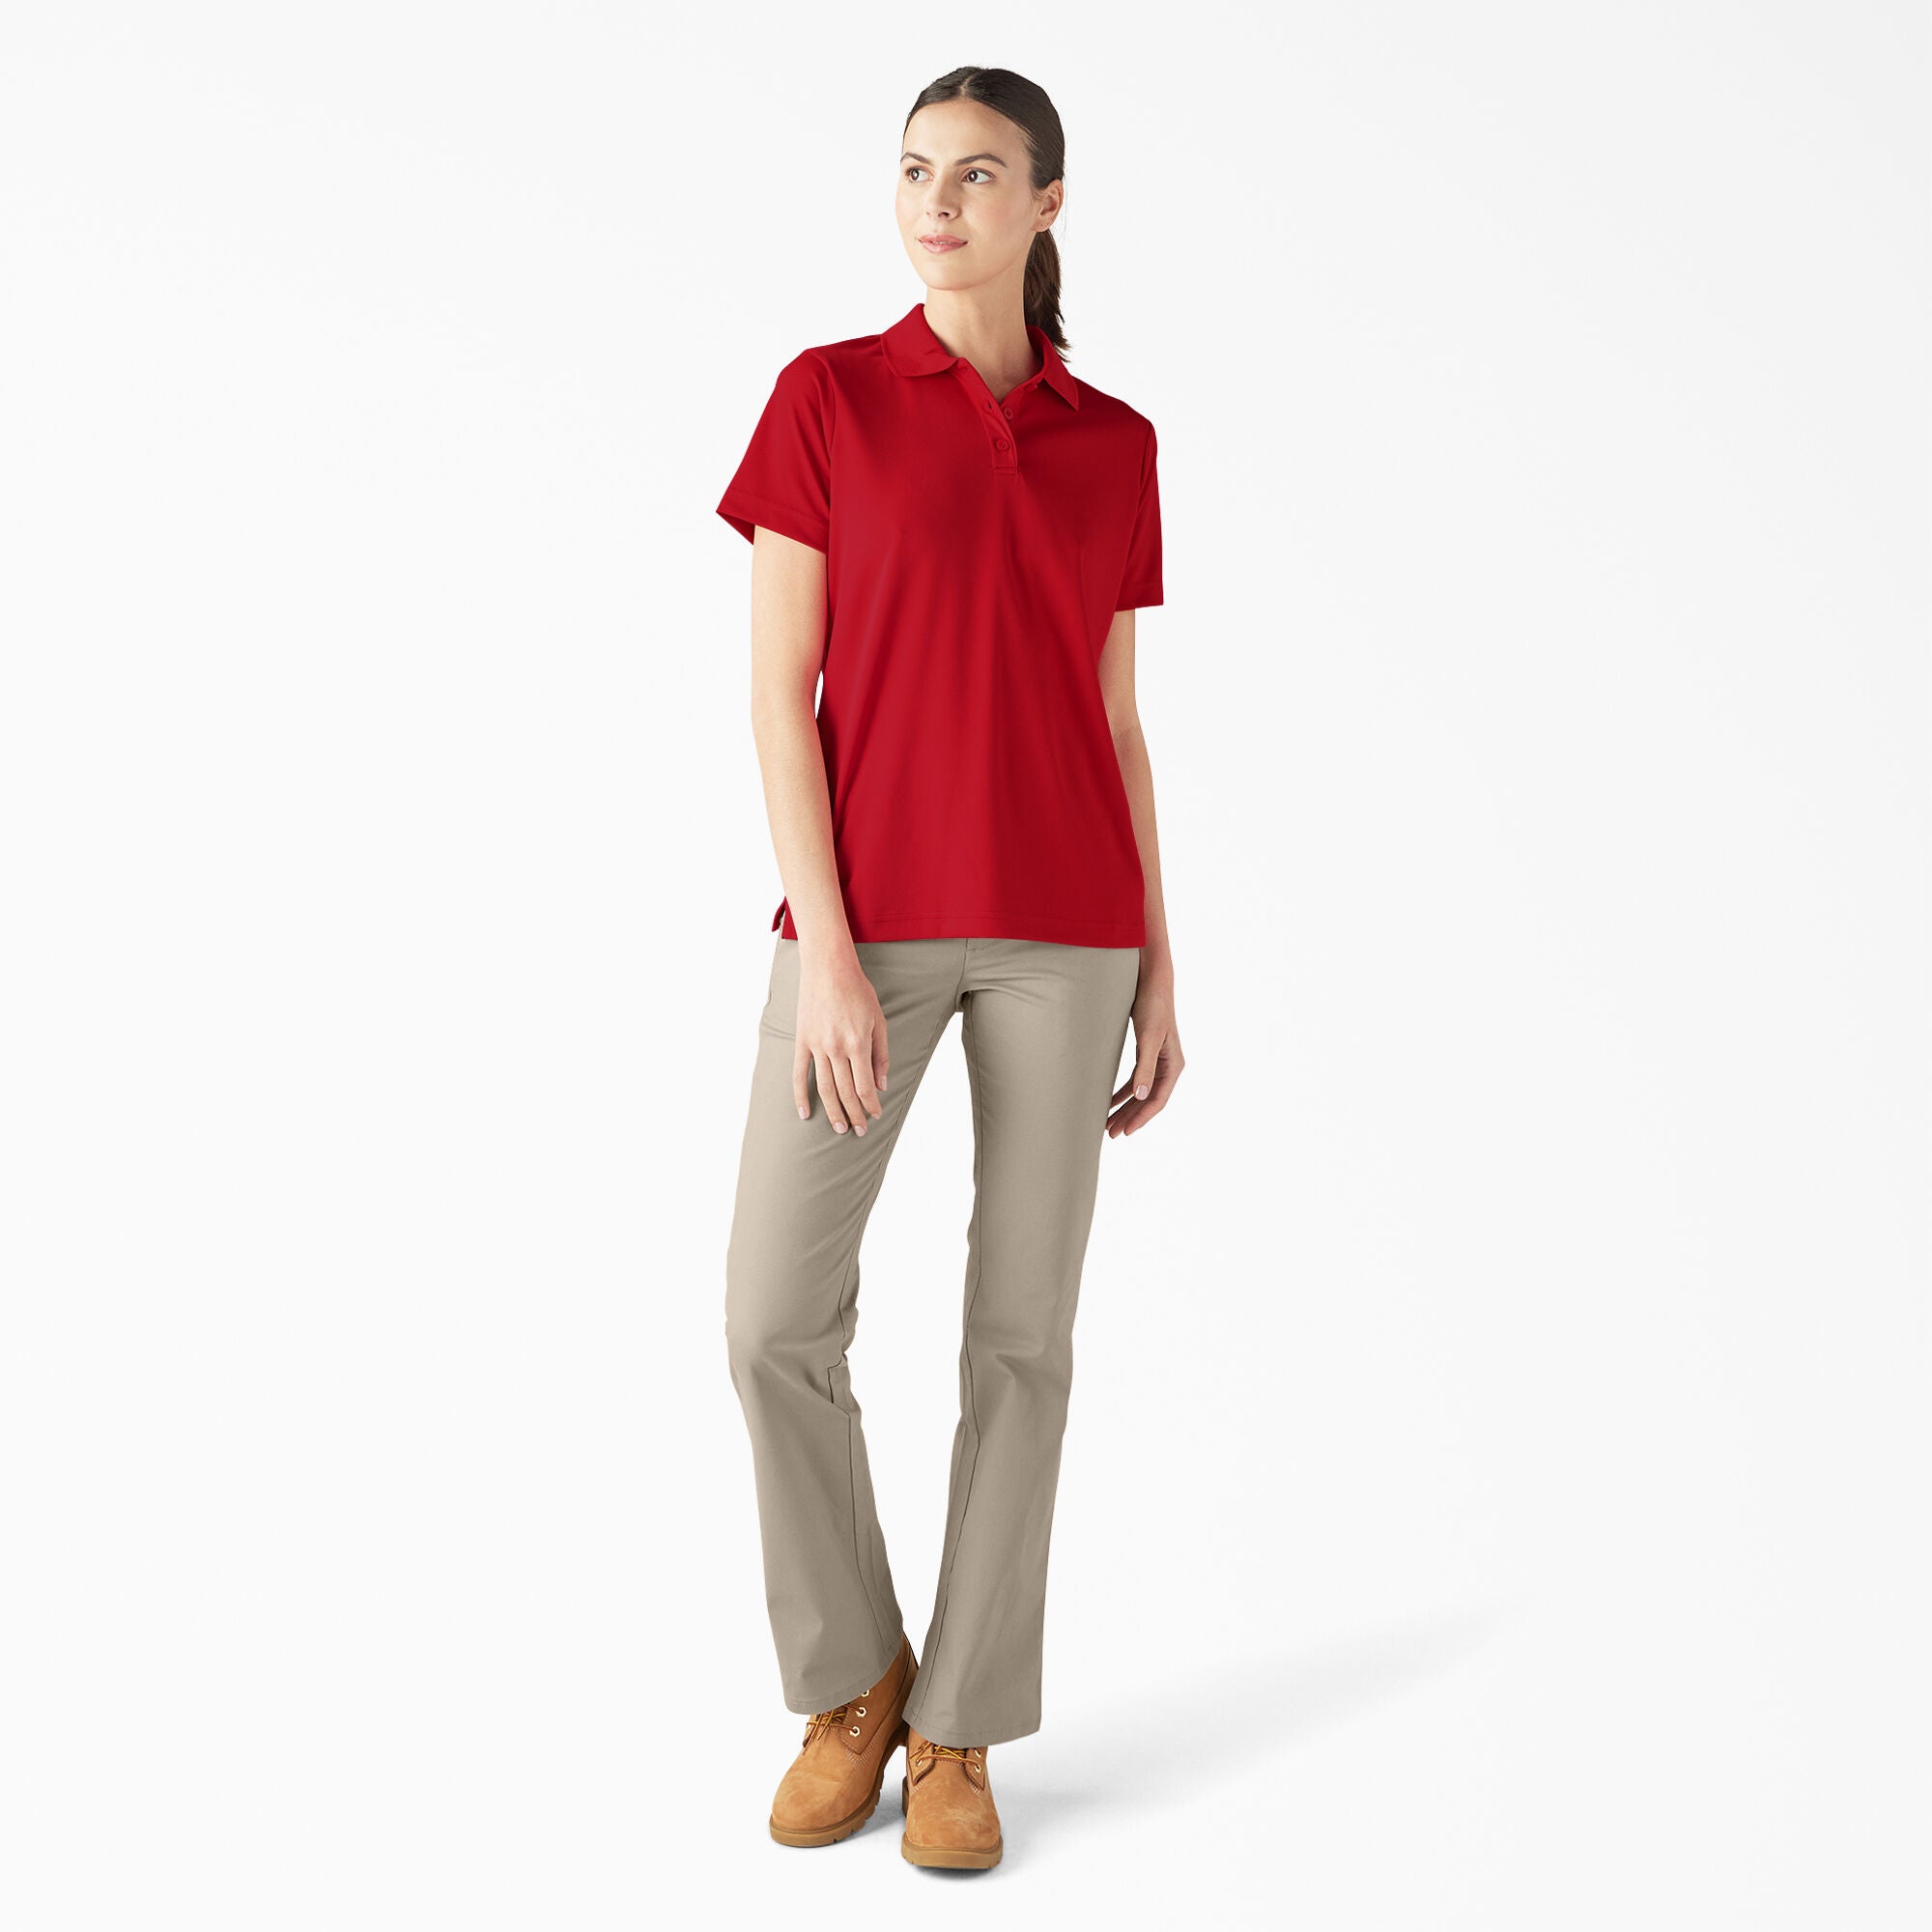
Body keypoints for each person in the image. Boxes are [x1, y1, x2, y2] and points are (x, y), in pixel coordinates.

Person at [715, 66, 1183, 1872]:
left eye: (978, 174)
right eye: (916, 169)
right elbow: (782, 698)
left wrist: (1160, 959)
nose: (936, 201)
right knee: (772, 1317)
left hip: (1071, 926)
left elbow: (1115, 717)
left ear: (1047, 203)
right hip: (872, 922)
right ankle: (855, 1680)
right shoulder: (827, 399)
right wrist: (829, 951)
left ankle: (961, 1725)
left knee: (1022, 1338)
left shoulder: (1113, 443)